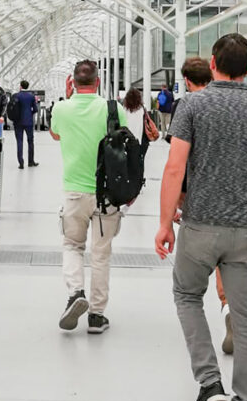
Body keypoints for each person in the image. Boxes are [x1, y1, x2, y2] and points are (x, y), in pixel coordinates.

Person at [156, 34, 247, 401]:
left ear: (213, 64)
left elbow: (175, 168)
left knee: (187, 295)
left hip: (199, 227)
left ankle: (210, 382)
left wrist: (164, 223)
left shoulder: (192, 105)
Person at [50, 60, 128, 335]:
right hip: (107, 193)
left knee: (72, 245)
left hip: (74, 192)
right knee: (101, 254)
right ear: (98, 82)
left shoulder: (61, 108)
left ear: (72, 82)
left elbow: (55, 134)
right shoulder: (113, 109)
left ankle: (75, 293)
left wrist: (67, 97)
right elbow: (123, 142)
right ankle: (96, 316)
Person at [167, 58, 234, 354]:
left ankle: (206, 367)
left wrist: (174, 202)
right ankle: (228, 305)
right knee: (225, 258)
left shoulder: (186, 106)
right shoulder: (232, 103)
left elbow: (177, 161)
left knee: (190, 279)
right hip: (232, 196)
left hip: (196, 197)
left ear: (187, 80)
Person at [121, 87, 159, 169]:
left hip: (127, 139)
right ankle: (140, 175)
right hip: (140, 141)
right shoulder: (142, 108)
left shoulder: (124, 108)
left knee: (128, 163)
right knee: (140, 162)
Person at [13, 80, 39, 169]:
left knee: (19, 142)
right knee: (30, 142)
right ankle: (31, 162)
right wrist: (29, 114)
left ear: (20, 86)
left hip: (18, 122)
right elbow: (35, 109)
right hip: (29, 122)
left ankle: (21, 163)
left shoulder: (16, 95)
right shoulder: (31, 96)